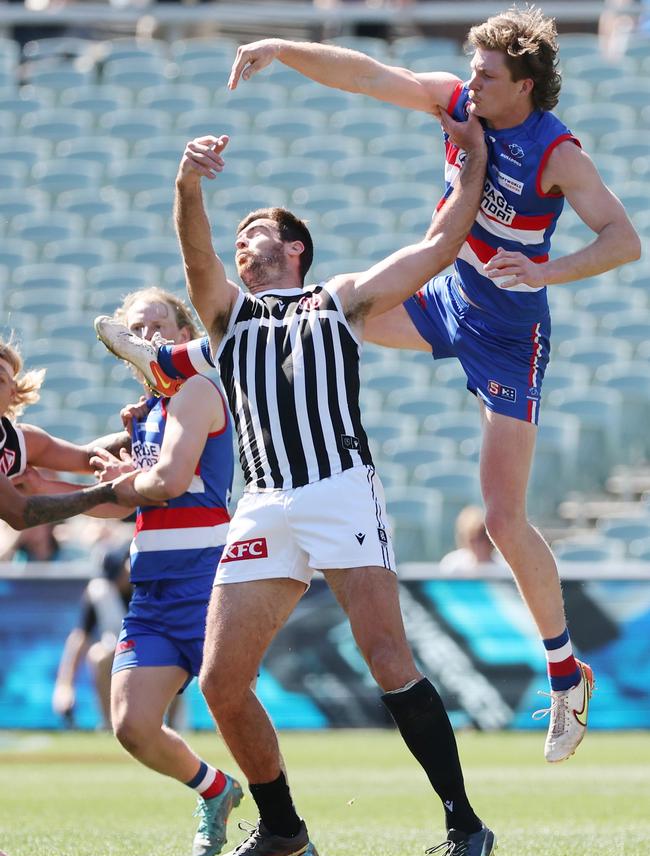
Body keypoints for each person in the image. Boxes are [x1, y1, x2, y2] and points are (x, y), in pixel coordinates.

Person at [223, 5, 643, 763]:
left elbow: (623, 238)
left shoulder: (556, 151)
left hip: (512, 334)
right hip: (447, 298)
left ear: (525, 84)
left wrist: (550, 269)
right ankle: (293, 452)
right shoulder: (458, 101)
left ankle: (565, 672)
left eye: (486, 73)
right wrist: (285, 48)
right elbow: (370, 75)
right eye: (472, 69)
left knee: (503, 519)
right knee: (332, 309)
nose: (470, 81)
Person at [95, 111, 495, 856]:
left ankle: (464, 821)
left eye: (258, 229)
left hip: (340, 487)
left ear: (295, 246)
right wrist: (187, 183)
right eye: (239, 231)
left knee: (387, 659)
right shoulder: (226, 312)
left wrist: (472, 156)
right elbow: (194, 248)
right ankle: (283, 826)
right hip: (268, 499)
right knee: (220, 679)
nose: (244, 239)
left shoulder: (338, 297)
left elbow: (437, 245)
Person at [90, 287, 245, 856]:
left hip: (207, 583)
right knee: (132, 726)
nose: (148, 336)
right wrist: (49, 493)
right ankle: (216, 790)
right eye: (136, 327)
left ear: (186, 337)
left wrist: (119, 482)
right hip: (153, 590)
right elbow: (127, 502)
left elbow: (169, 484)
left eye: (159, 324)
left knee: (236, 715)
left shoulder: (202, 390)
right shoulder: (148, 415)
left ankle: (289, 828)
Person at [0, 338, 155, 528]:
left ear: (13, 392)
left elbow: (87, 457)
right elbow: (20, 513)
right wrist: (106, 492)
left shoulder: (20, 442)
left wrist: (148, 426)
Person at [52, 540, 133, 729]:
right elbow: (80, 637)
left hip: (157, 651)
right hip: (124, 653)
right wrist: (65, 685)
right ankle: (111, 726)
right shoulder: (101, 591)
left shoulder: (149, 585)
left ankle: (176, 725)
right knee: (99, 655)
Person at [439, 506, 500, 576]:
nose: (478, 545)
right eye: (473, 540)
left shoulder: (504, 568)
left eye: (483, 538)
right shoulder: (452, 565)